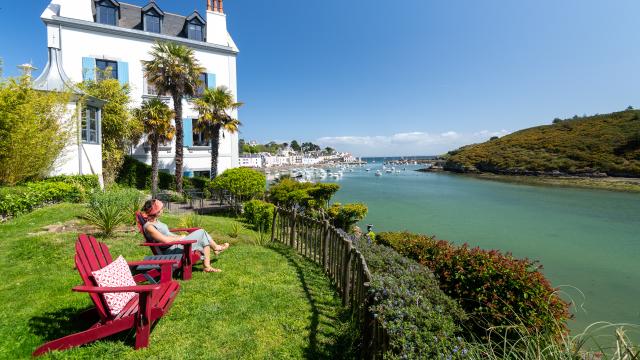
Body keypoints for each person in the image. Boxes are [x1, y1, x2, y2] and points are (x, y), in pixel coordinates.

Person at [140, 199, 229, 273]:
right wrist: (180, 238)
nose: (162, 210)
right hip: (171, 251)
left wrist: (179, 237)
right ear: (156, 212)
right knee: (201, 232)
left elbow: (166, 235)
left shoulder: (155, 221)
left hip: (175, 245)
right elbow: (165, 240)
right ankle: (213, 253)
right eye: (161, 209)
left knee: (202, 233)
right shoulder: (149, 227)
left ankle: (211, 257)